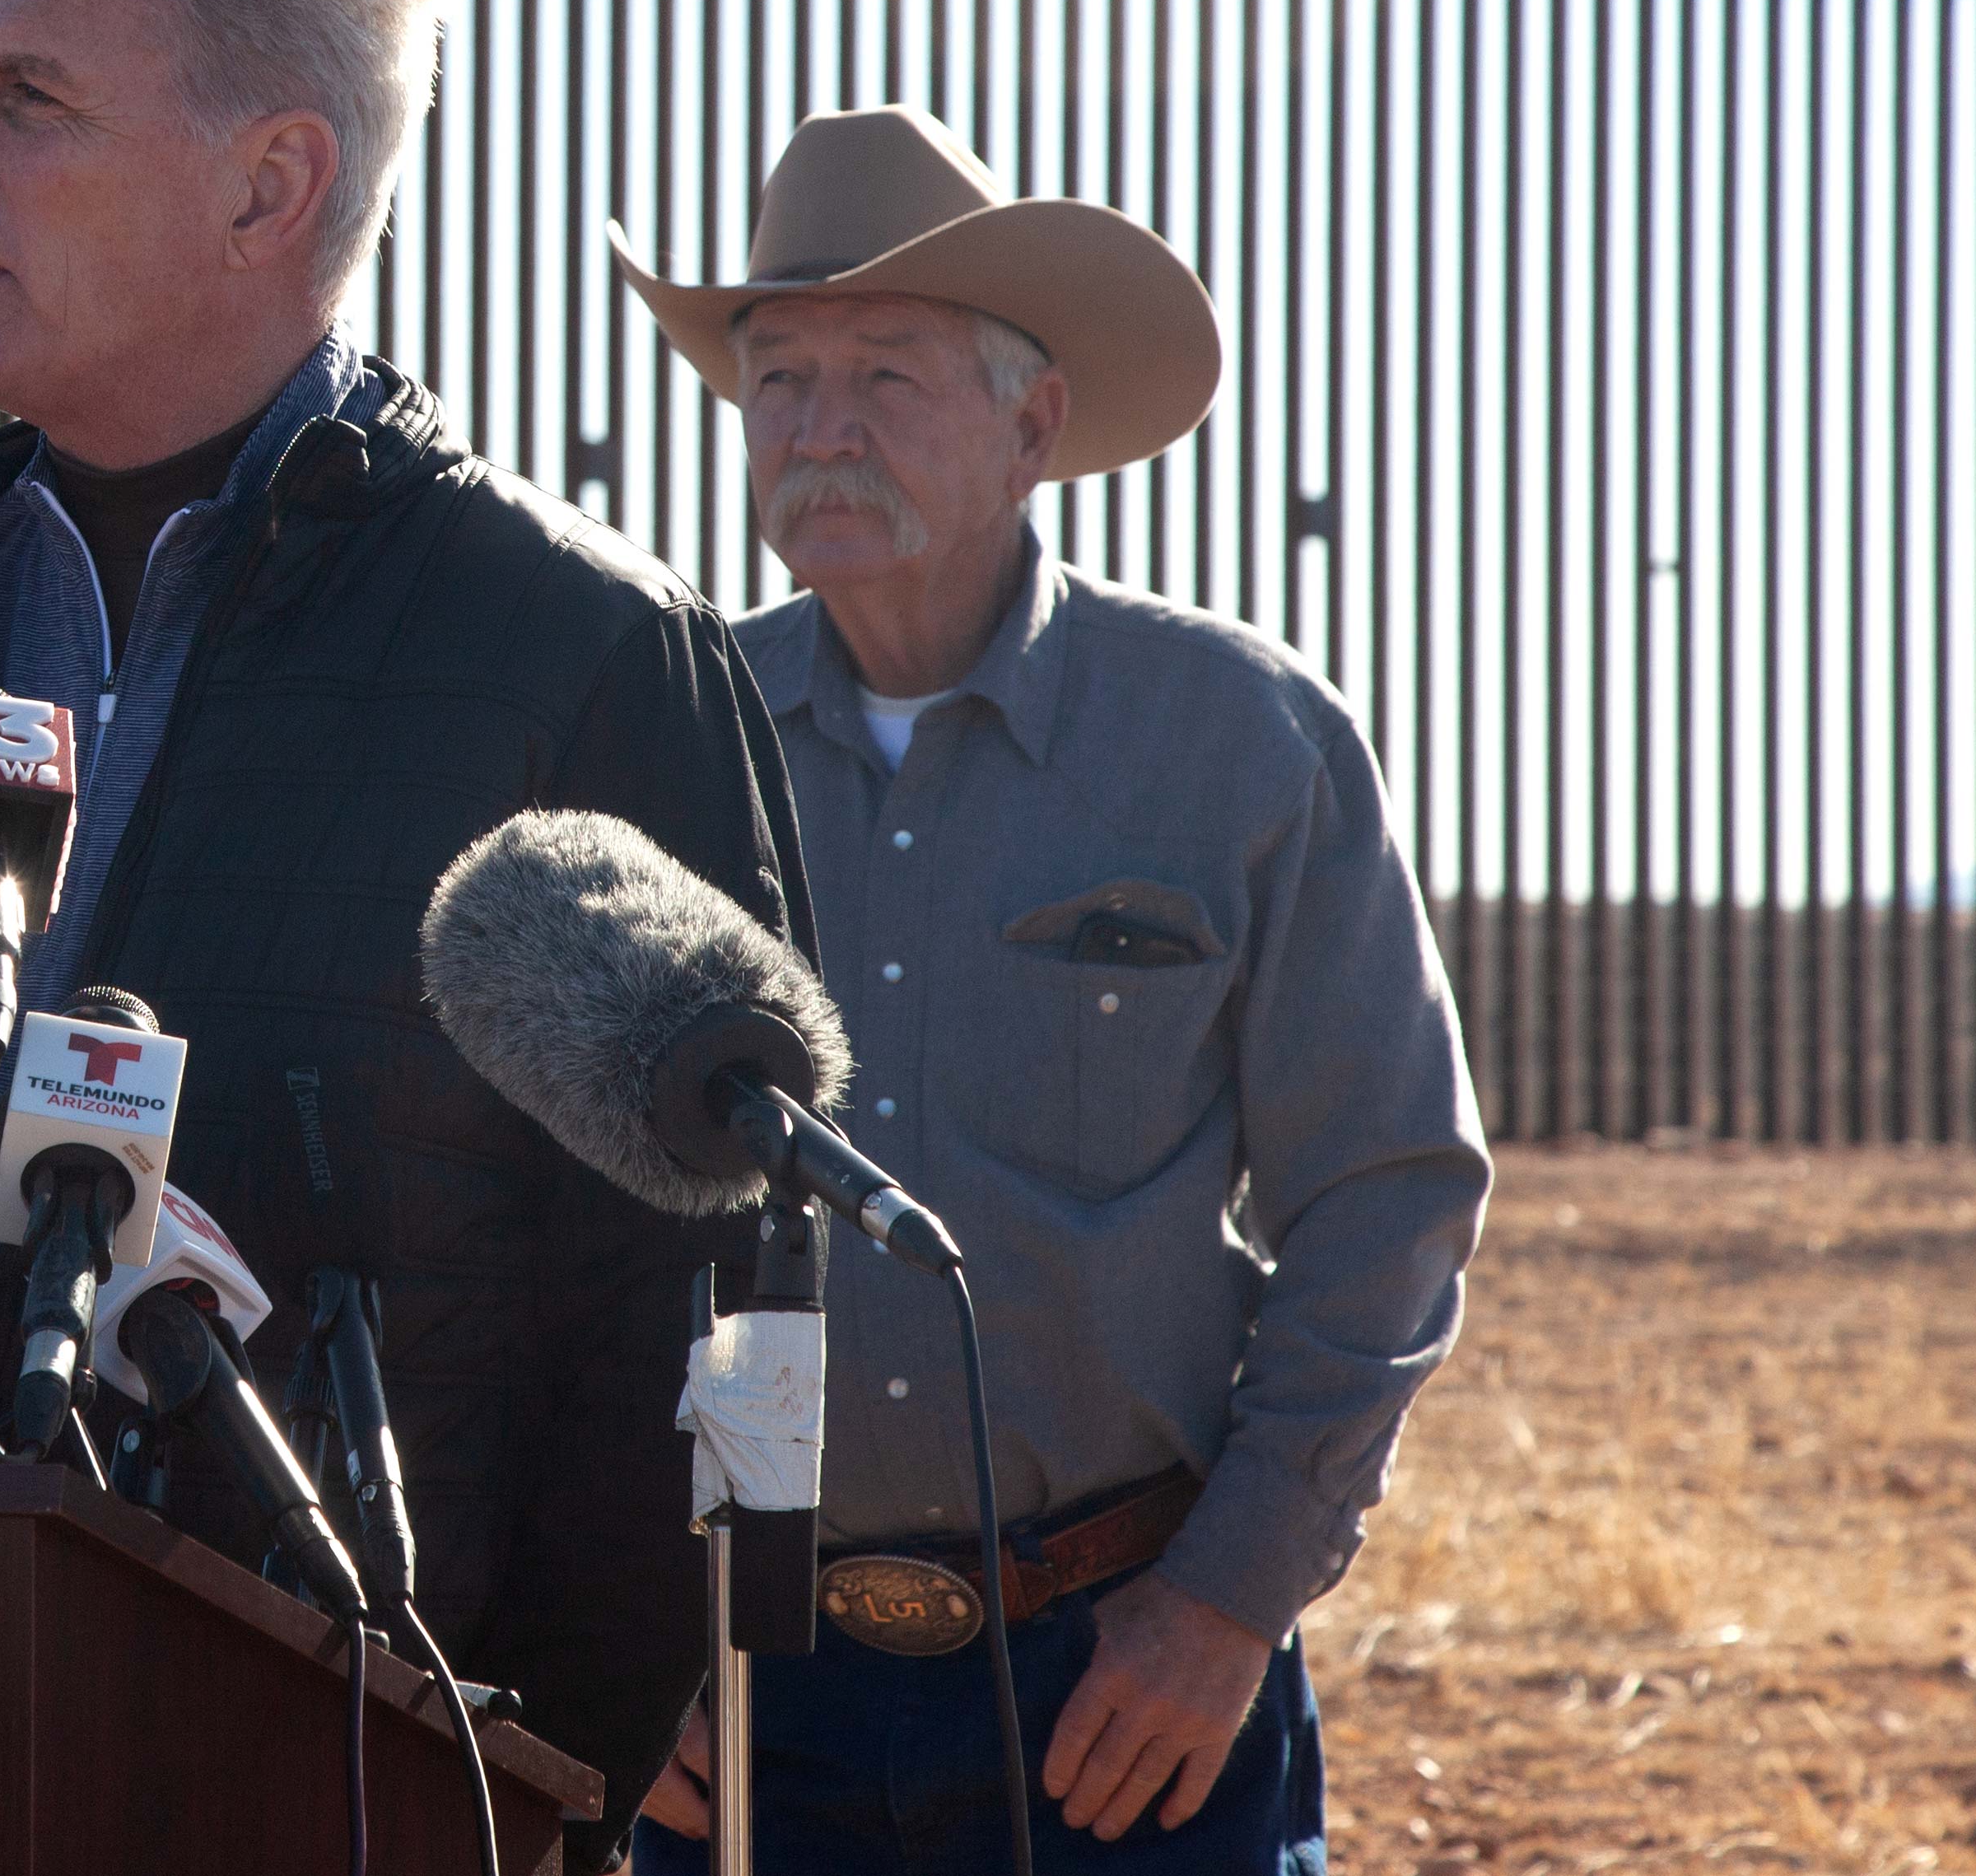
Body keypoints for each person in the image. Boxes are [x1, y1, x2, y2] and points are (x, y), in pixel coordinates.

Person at [0, 0, 813, 1873]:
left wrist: (525, 1783)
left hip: (368, 1790)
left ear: (269, 183)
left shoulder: (579, 661)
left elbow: (721, 1319)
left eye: (26, 99)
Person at [609, 105, 1491, 1874]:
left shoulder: (1239, 743)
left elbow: (1383, 1200)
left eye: (882, 374)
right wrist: (608, 1643)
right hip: (734, 1694)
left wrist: (1225, 1606)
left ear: (1034, 425)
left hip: (1121, 1684)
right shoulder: (658, 750)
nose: (819, 429)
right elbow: (545, 1238)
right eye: (778, 377)